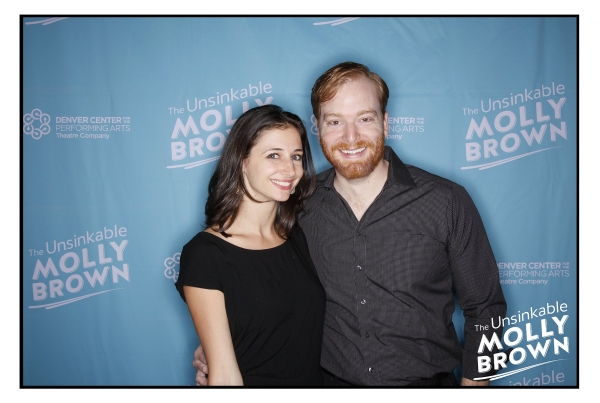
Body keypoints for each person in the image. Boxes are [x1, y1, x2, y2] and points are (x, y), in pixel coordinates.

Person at [193, 62, 507, 387]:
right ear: (317, 127)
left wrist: (475, 387)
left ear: (385, 122)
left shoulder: (446, 200)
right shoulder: (294, 207)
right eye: (335, 121)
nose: (350, 137)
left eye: (365, 119)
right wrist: (218, 344)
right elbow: (258, 285)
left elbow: (487, 309)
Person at [175, 104, 324, 386]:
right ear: (242, 160)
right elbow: (224, 375)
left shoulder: (297, 237)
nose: (290, 169)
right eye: (273, 155)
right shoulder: (205, 254)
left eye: (296, 156)